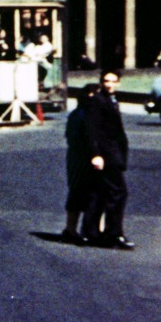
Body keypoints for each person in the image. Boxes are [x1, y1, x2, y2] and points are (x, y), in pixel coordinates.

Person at [81, 70, 134, 249]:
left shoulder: (112, 99)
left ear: (118, 83)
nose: (109, 84)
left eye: (113, 81)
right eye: (106, 81)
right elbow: (91, 129)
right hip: (106, 155)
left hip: (113, 154)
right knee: (118, 193)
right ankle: (113, 234)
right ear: (101, 82)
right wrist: (95, 154)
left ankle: (90, 233)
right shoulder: (96, 100)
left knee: (99, 192)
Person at [61, 83, 96, 243]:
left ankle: (72, 229)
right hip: (81, 159)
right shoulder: (83, 115)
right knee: (84, 194)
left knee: (80, 193)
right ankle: (75, 230)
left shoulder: (77, 113)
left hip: (77, 157)